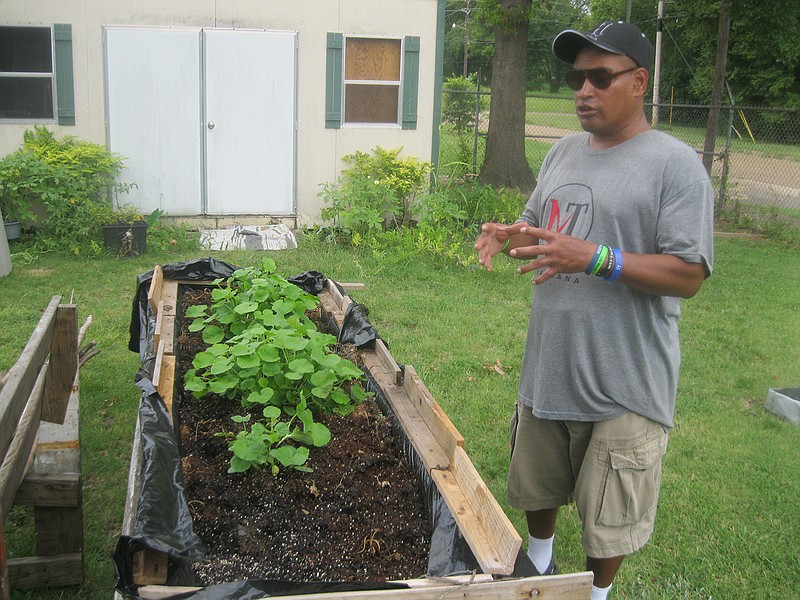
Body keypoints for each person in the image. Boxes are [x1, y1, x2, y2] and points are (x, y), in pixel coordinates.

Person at [475, 20, 714, 600]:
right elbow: (544, 229)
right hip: (550, 365)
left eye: (599, 77)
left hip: (624, 381)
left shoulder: (675, 165)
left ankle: (597, 593)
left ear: (639, 80)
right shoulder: (561, 151)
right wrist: (513, 234)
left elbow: (689, 274)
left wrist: (599, 257)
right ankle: (538, 560)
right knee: (537, 486)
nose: (584, 90)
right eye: (578, 77)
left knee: (610, 518)